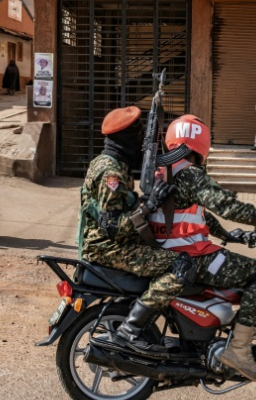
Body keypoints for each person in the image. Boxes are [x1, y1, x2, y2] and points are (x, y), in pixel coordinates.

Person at [142, 114, 256, 383]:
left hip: (170, 253)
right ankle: (238, 351)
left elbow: (194, 212)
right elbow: (227, 206)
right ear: (202, 143)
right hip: (190, 256)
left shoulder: (165, 170)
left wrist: (228, 235)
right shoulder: (190, 174)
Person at [80, 106, 196, 357]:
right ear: (126, 139)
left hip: (107, 245)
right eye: (138, 136)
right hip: (108, 249)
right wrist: (150, 203)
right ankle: (131, 330)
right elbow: (113, 228)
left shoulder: (109, 163)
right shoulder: (112, 173)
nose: (142, 145)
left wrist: (145, 202)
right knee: (181, 265)